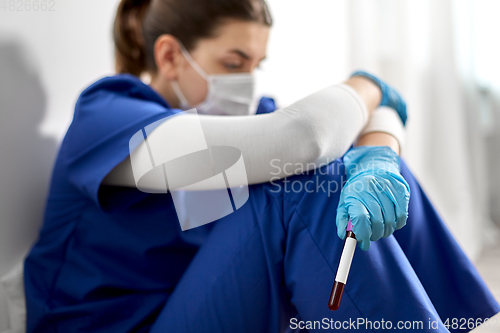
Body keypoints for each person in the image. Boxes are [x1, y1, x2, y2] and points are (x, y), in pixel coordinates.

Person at [23, 0, 499, 332]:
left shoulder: (239, 119)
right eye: (234, 62)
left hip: (204, 307)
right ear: (170, 56)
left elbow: (364, 121)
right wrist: (369, 84)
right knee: (312, 189)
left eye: (257, 64)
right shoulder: (109, 115)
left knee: (358, 175)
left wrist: (380, 155)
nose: (248, 83)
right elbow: (307, 137)